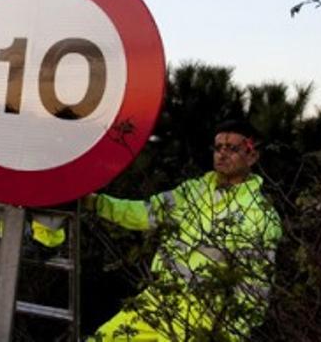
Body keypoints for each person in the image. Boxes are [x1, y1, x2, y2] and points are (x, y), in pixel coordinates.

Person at [85, 120, 282, 341]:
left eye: (233, 148)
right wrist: (95, 203)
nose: (222, 154)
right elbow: (145, 213)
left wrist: (228, 335)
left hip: (205, 316)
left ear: (252, 156)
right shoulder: (192, 191)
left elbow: (255, 290)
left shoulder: (259, 215)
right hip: (160, 298)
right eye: (218, 148)